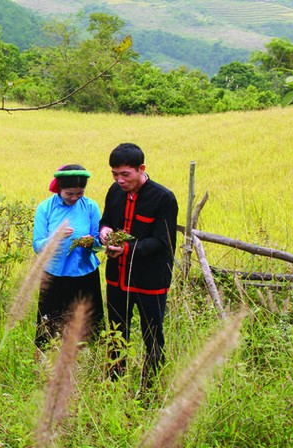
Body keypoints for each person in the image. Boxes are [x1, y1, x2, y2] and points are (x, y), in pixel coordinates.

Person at [99, 143, 178, 388]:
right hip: (117, 278)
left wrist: (127, 249)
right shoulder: (114, 192)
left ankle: (151, 385)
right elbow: (106, 221)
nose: (120, 180)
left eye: (125, 174)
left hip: (151, 280)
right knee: (116, 331)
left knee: (152, 334)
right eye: (115, 174)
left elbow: (162, 241)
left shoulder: (163, 198)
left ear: (141, 168)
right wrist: (105, 232)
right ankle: (114, 380)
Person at [32, 164, 104, 351]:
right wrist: (56, 236)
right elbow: (38, 246)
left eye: (79, 193)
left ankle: (87, 362)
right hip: (55, 275)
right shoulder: (45, 209)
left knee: (89, 326)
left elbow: (99, 243)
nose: (74, 198)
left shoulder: (90, 206)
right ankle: (44, 363)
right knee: (49, 327)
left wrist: (91, 243)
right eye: (69, 194)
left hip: (85, 275)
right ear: (59, 189)